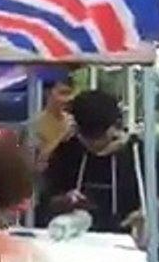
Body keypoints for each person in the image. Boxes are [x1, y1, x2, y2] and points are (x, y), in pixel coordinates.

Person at [38, 90, 143, 234]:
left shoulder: (138, 154)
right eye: (87, 138)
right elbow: (45, 200)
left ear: (114, 126)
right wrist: (64, 201)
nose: (94, 145)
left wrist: (144, 213)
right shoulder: (67, 152)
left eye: (100, 137)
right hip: (75, 240)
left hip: (127, 240)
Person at [31, 75, 75, 171]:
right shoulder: (34, 125)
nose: (68, 99)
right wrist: (62, 136)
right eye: (63, 93)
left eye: (70, 94)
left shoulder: (73, 122)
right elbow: (35, 162)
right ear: (48, 94)